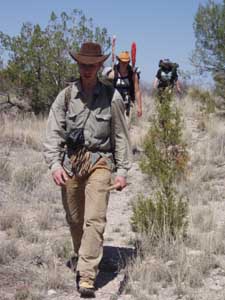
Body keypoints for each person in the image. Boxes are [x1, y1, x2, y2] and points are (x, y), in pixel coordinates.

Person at [43, 42, 131, 298]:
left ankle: (87, 276)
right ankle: (85, 254)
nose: (88, 69)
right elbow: (53, 132)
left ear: (100, 65)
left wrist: (123, 170)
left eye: (93, 65)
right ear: (78, 64)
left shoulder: (111, 96)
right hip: (72, 162)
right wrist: (54, 164)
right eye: (84, 64)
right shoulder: (66, 96)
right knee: (74, 219)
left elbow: (121, 136)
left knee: (95, 218)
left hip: (101, 162)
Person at [104, 51, 142, 125]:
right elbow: (105, 89)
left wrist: (139, 107)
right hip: (114, 105)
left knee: (125, 128)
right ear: (119, 61)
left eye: (126, 62)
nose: (124, 64)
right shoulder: (113, 73)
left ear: (128, 62)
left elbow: (137, 91)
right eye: (122, 62)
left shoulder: (133, 75)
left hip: (127, 105)